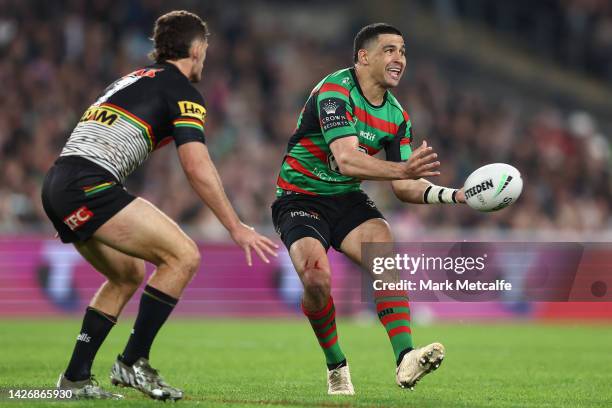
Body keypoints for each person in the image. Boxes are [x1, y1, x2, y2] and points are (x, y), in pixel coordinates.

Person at [41, 10, 277, 400]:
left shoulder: (131, 79)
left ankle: (75, 377)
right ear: (198, 48)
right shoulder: (182, 91)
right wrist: (236, 226)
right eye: (206, 50)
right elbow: (197, 166)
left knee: (128, 275)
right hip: (87, 184)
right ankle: (132, 362)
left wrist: (62, 202)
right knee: (183, 256)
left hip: (62, 181)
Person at [271, 23, 466, 395]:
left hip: (345, 199)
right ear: (364, 57)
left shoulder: (397, 117)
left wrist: (455, 196)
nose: (399, 59)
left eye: (404, 51)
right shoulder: (334, 91)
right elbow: (346, 159)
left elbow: (406, 186)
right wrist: (402, 169)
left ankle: (406, 356)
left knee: (383, 246)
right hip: (299, 197)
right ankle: (336, 365)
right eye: (390, 50)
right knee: (315, 280)